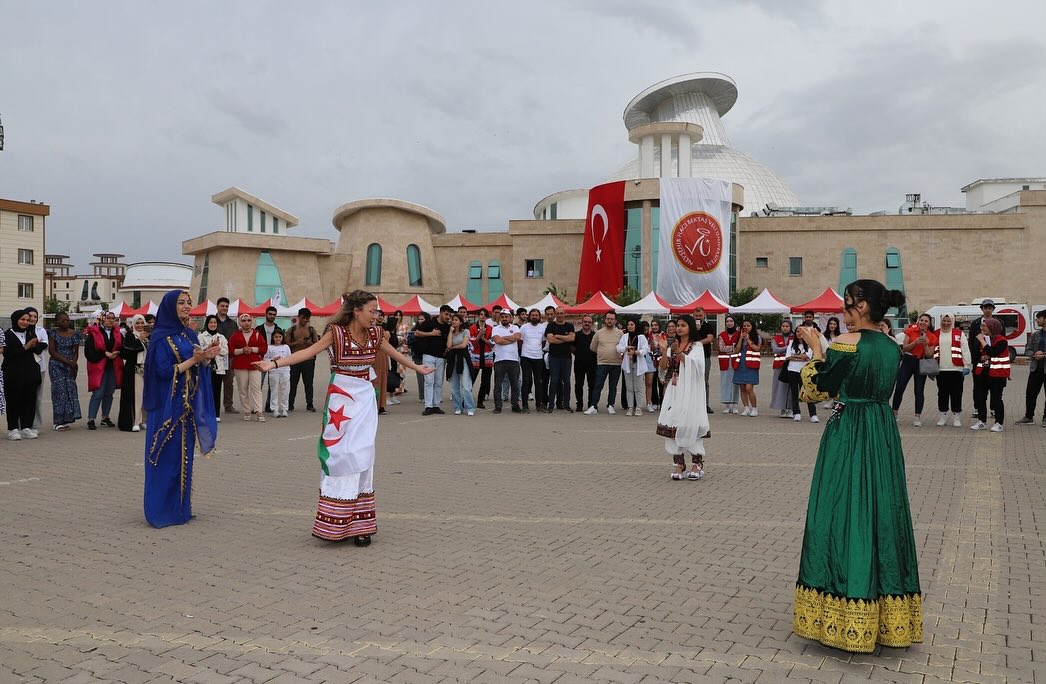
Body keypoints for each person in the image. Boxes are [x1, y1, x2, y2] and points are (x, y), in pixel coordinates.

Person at [792, 279, 921, 654]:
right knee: (883, 512)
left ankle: (845, 606)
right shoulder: (892, 346)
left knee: (839, 513)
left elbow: (815, 390)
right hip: (882, 433)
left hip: (850, 433)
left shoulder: (847, 344)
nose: (843, 312)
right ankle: (887, 618)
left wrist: (817, 349)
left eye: (847, 305)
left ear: (862, 307)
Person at [253, 290, 433, 545]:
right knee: (340, 455)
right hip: (341, 398)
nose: (376, 316)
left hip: (364, 400)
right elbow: (308, 352)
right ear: (356, 311)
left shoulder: (376, 334)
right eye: (371, 311)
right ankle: (334, 521)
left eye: (377, 311)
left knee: (363, 455)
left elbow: (394, 353)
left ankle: (361, 525)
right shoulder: (335, 334)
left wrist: (417, 368)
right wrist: (273, 365)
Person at [143, 290, 220, 528]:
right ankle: (160, 510)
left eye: (189, 302)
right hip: (168, 407)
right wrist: (195, 361)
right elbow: (164, 372)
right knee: (164, 457)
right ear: (169, 307)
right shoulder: (160, 338)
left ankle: (179, 510)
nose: (187, 306)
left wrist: (206, 357)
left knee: (183, 459)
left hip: (185, 406)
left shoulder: (188, 334)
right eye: (181, 303)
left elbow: (194, 367)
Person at [656, 314, 709, 481]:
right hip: (675, 390)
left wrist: (681, 354)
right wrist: (665, 351)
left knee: (690, 423)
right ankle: (679, 463)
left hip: (691, 391)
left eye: (683, 325)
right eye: (677, 325)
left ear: (690, 327)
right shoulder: (673, 345)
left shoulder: (697, 346)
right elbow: (663, 368)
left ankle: (697, 463)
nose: (678, 328)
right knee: (673, 421)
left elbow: (698, 367)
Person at [891, 314, 939, 427]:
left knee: (919, 390)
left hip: (921, 362)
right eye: (921, 320)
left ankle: (917, 417)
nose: (923, 322)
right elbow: (904, 348)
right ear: (918, 321)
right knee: (899, 387)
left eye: (926, 321)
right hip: (908, 360)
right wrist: (915, 342)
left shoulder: (932, 336)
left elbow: (930, 354)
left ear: (929, 323)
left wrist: (926, 344)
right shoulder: (910, 331)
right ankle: (894, 413)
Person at [4, 310, 44, 440]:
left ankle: (27, 427)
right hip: (13, 374)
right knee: (13, 401)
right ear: (15, 319)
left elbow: (38, 349)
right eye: (22, 319)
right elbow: (9, 355)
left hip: (30, 373)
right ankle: (13, 428)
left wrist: (34, 345)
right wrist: (26, 347)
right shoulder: (7, 335)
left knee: (29, 400)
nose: (25, 322)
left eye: (27, 320)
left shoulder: (31, 333)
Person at [84, 311, 123, 430]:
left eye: (113, 318)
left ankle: (105, 417)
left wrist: (117, 352)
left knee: (109, 393)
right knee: (98, 393)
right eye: (108, 318)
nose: (111, 320)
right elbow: (88, 352)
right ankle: (91, 419)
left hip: (113, 366)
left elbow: (123, 347)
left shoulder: (118, 333)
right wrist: (105, 354)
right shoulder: (93, 333)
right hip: (99, 366)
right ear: (102, 319)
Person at [970, 317, 1010, 432]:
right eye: (982, 326)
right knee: (980, 397)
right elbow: (975, 355)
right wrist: (982, 356)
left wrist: (983, 343)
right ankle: (982, 421)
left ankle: (999, 423)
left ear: (992, 327)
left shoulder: (1002, 340)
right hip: (982, 373)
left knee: (996, 399)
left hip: (997, 374)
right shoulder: (980, 339)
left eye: (984, 326)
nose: (981, 328)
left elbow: (993, 352)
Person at [933, 312, 971, 427]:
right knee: (942, 394)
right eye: (944, 321)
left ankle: (957, 417)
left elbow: (965, 350)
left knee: (957, 394)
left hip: (957, 369)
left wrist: (967, 365)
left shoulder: (959, 334)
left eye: (948, 321)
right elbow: (930, 351)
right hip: (941, 369)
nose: (946, 323)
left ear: (952, 321)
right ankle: (943, 416)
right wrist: (929, 369)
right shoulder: (935, 334)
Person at [228, 313, 267, 422]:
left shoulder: (258, 334)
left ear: (252, 322)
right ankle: (246, 411)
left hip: (255, 364)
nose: (246, 323)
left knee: (256, 388)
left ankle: (259, 411)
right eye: (244, 320)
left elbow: (264, 348)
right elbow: (230, 350)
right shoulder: (235, 335)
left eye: (249, 320)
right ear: (240, 322)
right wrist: (242, 351)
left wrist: (252, 349)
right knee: (243, 389)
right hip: (240, 365)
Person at [47, 312, 83, 431]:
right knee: (59, 391)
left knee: (69, 390)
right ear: (57, 322)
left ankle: (66, 418)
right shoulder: (53, 334)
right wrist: (68, 362)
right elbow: (52, 351)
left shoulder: (74, 334)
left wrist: (74, 363)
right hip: (57, 364)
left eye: (67, 320)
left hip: (70, 365)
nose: (66, 322)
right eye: (63, 321)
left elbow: (76, 351)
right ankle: (57, 421)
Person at [586, 312, 624, 415]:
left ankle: (611, 405)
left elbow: (623, 347)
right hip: (602, 363)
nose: (609, 321)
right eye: (608, 319)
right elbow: (593, 347)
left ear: (615, 321)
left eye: (612, 319)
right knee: (597, 385)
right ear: (605, 320)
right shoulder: (599, 333)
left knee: (613, 386)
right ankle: (593, 406)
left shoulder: (620, 333)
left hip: (616, 364)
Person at [416, 306, 451, 415]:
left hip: (441, 357)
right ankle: (428, 406)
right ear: (440, 313)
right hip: (429, 355)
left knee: (438, 382)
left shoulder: (448, 327)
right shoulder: (430, 322)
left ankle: (436, 405)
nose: (448, 317)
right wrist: (431, 333)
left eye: (449, 315)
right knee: (429, 381)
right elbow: (417, 333)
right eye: (446, 314)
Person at [118, 314, 149, 432]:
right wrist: (139, 340)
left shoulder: (148, 336)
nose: (140, 325)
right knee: (136, 396)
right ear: (133, 324)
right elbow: (125, 352)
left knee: (145, 396)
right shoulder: (130, 336)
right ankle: (136, 421)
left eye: (142, 323)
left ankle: (144, 420)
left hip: (147, 369)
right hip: (134, 370)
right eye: (138, 323)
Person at [1015, 310, 1046, 427]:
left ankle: (1045, 418)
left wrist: (1044, 355)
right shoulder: (1035, 335)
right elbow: (1027, 350)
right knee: (1030, 394)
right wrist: (1034, 355)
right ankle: (1029, 416)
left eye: (1039, 318)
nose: (1037, 320)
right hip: (1035, 369)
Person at [286, 308, 319, 413]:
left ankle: (310, 404)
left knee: (308, 383)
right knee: (292, 383)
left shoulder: (311, 330)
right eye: (303, 318)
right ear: (298, 317)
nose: (305, 321)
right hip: (295, 359)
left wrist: (309, 344)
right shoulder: (291, 330)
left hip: (309, 360)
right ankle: (290, 404)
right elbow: (286, 345)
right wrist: (296, 343)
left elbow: (317, 346)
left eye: (307, 319)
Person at [781, 332, 818, 423]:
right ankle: (796, 413)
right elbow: (788, 357)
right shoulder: (791, 344)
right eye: (797, 331)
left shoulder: (809, 344)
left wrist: (795, 357)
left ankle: (813, 414)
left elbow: (808, 356)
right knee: (794, 392)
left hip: (805, 371)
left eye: (801, 332)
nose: (799, 334)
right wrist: (801, 358)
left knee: (808, 392)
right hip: (792, 370)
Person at [198, 315, 229, 423]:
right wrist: (210, 346)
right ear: (207, 324)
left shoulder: (221, 337)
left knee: (216, 391)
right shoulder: (201, 336)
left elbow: (225, 351)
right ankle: (204, 414)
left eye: (215, 323)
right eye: (211, 322)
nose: (213, 324)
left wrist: (217, 347)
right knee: (205, 391)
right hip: (205, 366)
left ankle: (216, 414)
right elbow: (200, 351)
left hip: (218, 367)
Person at [491, 309, 523, 414]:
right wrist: (511, 338)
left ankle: (515, 405)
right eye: (503, 316)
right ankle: (498, 406)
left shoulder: (515, 327)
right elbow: (498, 341)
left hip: (513, 360)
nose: (504, 318)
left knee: (515, 384)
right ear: (500, 318)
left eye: (507, 316)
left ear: (510, 317)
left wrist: (504, 337)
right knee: (498, 385)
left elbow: (517, 337)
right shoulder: (496, 328)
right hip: (499, 360)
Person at [617, 319, 651, 416]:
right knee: (629, 387)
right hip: (628, 363)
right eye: (628, 324)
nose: (630, 326)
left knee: (638, 387)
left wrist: (636, 352)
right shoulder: (625, 336)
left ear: (636, 325)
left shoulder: (641, 337)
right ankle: (630, 407)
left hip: (638, 363)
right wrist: (625, 348)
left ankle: (638, 407)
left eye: (632, 324)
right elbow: (618, 348)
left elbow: (646, 349)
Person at [545, 307, 575, 412]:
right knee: (554, 381)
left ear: (565, 314)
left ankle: (566, 404)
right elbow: (551, 340)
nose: (559, 315)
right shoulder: (550, 326)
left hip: (566, 358)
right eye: (557, 313)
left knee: (566, 381)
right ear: (555, 314)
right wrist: (565, 338)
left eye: (561, 313)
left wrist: (557, 336)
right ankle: (551, 405)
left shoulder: (570, 325)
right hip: (554, 357)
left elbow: (572, 338)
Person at [24, 307, 49, 429]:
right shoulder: (20, 331)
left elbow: (42, 347)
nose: (33, 319)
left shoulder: (41, 330)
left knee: (37, 397)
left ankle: (35, 425)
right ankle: (21, 424)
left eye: (35, 316)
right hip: (23, 369)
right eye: (30, 316)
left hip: (40, 368)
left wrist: (29, 346)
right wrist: (33, 344)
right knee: (23, 397)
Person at [446, 313, 475, 416]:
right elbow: (448, 345)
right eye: (453, 320)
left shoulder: (466, 331)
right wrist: (450, 332)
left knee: (466, 386)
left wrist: (453, 348)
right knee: (454, 387)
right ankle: (458, 407)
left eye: (456, 320)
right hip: (453, 360)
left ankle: (470, 407)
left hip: (462, 359)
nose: (454, 321)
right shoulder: (451, 332)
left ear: (461, 322)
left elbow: (463, 345)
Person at [214, 297, 240, 414]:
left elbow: (237, 339)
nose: (224, 308)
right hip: (215, 357)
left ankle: (228, 405)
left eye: (226, 306)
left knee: (229, 382)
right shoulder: (212, 321)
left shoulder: (233, 324)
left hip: (229, 357)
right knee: (214, 382)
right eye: (222, 306)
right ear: (217, 307)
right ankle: (212, 405)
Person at [519, 308, 547, 413]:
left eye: (536, 315)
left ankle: (539, 405)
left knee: (538, 382)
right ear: (529, 316)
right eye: (533, 315)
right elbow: (520, 341)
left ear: (539, 317)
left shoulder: (543, 327)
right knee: (526, 381)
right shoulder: (524, 327)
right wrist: (524, 352)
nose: (534, 317)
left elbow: (544, 342)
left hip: (538, 357)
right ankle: (525, 405)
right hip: (526, 357)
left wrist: (538, 350)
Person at [732, 319, 762, 416]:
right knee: (742, 387)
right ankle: (746, 408)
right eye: (744, 326)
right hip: (741, 364)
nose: (746, 327)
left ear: (752, 327)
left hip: (751, 364)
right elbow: (736, 350)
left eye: (748, 325)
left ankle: (754, 408)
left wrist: (748, 339)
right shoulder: (739, 337)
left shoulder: (757, 337)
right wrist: (741, 338)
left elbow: (757, 348)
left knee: (749, 388)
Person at [256, 306, 282, 413]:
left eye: (274, 314)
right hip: (261, 359)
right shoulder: (258, 329)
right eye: (270, 314)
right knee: (258, 384)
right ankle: (257, 407)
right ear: (266, 314)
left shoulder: (278, 329)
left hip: (274, 360)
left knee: (273, 384)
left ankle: (270, 405)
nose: (272, 316)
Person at [468, 311, 494, 409]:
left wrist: (482, 338)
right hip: (475, 357)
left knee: (485, 380)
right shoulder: (472, 328)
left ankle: (480, 401)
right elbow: (471, 343)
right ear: (478, 316)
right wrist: (480, 335)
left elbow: (492, 343)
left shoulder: (490, 328)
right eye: (481, 314)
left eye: (485, 315)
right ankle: (465, 399)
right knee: (471, 379)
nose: (483, 316)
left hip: (487, 357)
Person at [770, 320, 795, 418]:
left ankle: (790, 408)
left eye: (787, 326)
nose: (785, 328)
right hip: (779, 366)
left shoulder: (794, 337)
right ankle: (782, 408)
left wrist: (784, 349)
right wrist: (788, 347)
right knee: (779, 387)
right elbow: (775, 350)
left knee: (790, 387)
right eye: (783, 326)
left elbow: (795, 349)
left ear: (790, 327)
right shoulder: (776, 338)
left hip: (791, 365)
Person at [264, 329, 292, 417]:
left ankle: (284, 408)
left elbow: (290, 358)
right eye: (276, 337)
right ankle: (274, 409)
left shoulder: (286, 347)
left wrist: (284, 360)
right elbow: (265, 359)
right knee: (274, 390)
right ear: (273, 337)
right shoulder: (269, 347)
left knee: (285, 390)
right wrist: (272, 360)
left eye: (280, 337)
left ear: (282, 337)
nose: (278, 338)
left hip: (285, 370)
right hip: (273, 371)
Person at [692, 308, 715, 413]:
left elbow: (709, 339)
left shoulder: (708, 326)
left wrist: (697, 343)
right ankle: (693, 404)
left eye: (700, 316)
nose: (698, 318)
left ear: (704, 315)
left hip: (705, 356)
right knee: (692, 381)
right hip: (691, 357)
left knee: (704, 381)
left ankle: (705, 405)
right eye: (696, 316)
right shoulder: (690, 326)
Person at [572, 315, 597, 413]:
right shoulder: (576, 335)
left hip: (593, 364)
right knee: (578, 385)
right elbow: (572, 349)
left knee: (592, 385)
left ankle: (591, 404)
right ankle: (579, 404)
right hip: (579, 363)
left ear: (591, 324)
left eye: (589, 322)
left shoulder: (595, 335)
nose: (587, 323)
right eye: (585, 321)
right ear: (582, 323)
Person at [717, 315, 741, 413]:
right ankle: (726, 404)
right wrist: (733, 348)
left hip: (736, 362)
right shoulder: (722, 335)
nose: (729, 323)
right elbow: (721, 348)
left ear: (734, 323)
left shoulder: (739, 334)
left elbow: (739, 348)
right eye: (727, 321)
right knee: (725, 383)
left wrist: (730, 348)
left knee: (735, 383)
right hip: (725, 362)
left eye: (731, 321)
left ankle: (735, 404)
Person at [371, 310, 391, 415]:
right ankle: (374, 404)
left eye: (379, 316)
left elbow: (387, 344)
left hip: (381, 356)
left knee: (381, 380)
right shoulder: (367, 329)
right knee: (374, 381)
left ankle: (381, 405)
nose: (377, 318)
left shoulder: (384, 331)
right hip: (371, 356)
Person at [645, 320, 664, 412]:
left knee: (661, 381)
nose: (654, 327)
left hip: (661, 360)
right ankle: (654, 401)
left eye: (656, 325)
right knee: (651, 382)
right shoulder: (648, 335)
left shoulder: (663, 335)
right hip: (651, 360)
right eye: (652, 325)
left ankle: (662, 401)